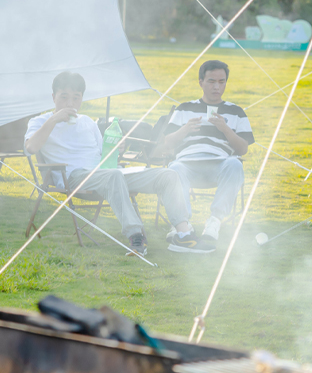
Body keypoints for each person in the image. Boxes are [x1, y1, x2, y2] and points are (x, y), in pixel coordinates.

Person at [25, 71, 212, 256]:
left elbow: (103, 154)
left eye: (76, 98)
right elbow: (31, 147)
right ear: (53, 97)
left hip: (105, 174)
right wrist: (54, 119)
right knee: (113, 175)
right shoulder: (40, 121)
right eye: (64, 97)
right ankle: (136, 236)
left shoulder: (87, 122)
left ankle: (183, 234)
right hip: (73, 177)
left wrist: (116, 149)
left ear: (82, 99)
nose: (70, 104)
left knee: (168, 175)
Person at [161, 60, 254, 244]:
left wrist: (225, 129)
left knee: (235, 164)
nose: (217, 87)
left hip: (220, 164)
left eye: (222, 82)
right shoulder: (184, 108)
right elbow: (167, 143)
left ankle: (214, 222)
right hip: (187, 163)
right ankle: (182, 224)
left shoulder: (236, 112)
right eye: (211, 81)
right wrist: (185, 129)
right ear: (201, 82)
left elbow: (242, 149)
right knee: (174, 169)